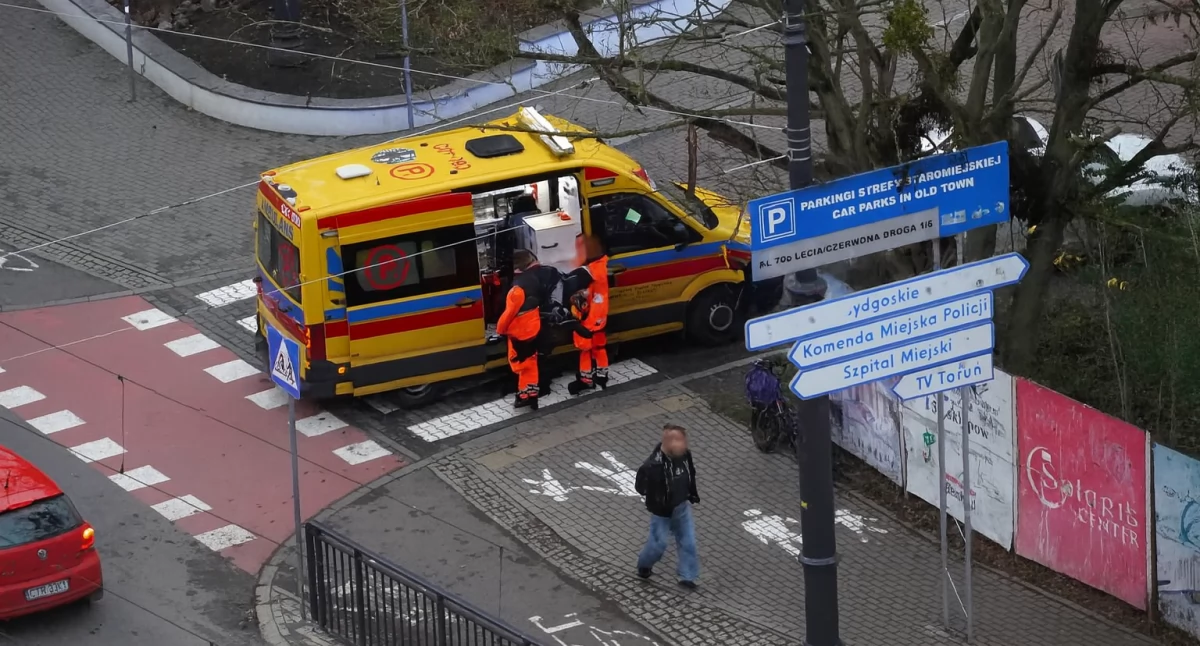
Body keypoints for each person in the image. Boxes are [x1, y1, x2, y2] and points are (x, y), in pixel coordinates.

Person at [633, 424, 700, 588]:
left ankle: (687, 577)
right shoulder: (652, 466)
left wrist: (691, 493)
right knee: (658, 544)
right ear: (667, 442)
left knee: (688, 542)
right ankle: (644, 565)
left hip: (681, 507)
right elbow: (640, 487)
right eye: (677, 441)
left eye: (682, 440)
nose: (682, 445)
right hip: (662, 512)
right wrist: (655, 497)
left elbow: (690, 473)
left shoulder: (685, 455)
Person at [562, 233, 610, 396]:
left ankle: (586, 380)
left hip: (588, 319)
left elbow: (576, 288)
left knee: (585, 350)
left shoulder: (589, 272)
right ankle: (602, 376)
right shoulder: (600, 265)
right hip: (599, 316)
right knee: (599, 347)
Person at [496, 249, 543, 409]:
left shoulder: (516, 290)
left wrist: (500, 331)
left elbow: (508, 315)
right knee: (531, 362)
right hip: (534, 328)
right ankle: (532, 395)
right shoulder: (534, 280)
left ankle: (524, 395)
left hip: (519, 333)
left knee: (519, 364)